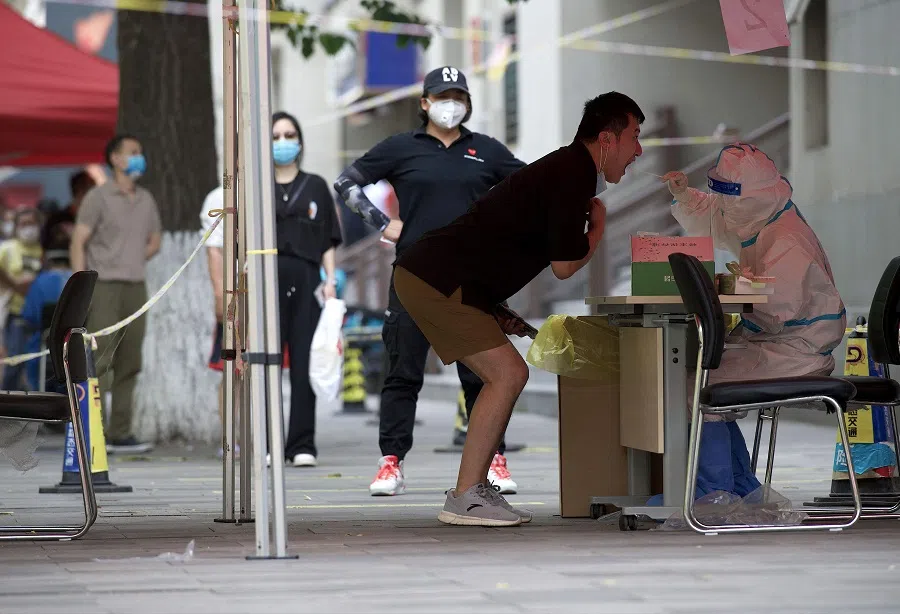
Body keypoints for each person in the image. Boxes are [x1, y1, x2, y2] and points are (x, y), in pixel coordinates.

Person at [387, 91, 644, 526]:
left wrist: (493, 305)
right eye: (635, 137)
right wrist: (598, 229)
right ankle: (466, 495)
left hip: (447, 278)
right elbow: (564, 266)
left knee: (506, 373)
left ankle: (474, 489)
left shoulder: (567, 169)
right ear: (607, 138)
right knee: (508, 373)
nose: (638, 150)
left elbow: (499, 235)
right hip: (436, 277)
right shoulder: (571, 174)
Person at [334, 66, 527, 497]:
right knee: (402, 372)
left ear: (469, 102)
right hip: (414, 278)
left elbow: (529, 189)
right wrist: (383, 223)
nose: (450, 104)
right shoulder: (401, 148)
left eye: (458, 96)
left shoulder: (487, 151)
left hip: (470, 280)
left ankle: (493, 459)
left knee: (481, 375)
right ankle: (391, 462)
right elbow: (346, 183)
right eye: (442, 96)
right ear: (424, 103)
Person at [662, 143, 846, 498]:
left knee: (696, 386)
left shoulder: (787, 239)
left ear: (752, 196)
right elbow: (718, 215)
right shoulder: (765, 220)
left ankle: (715, 493)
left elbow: (781, 307)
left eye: (731, 195)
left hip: (796, 351)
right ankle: (738, 488)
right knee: (699, 380)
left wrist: (738, 287)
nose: (725, 204)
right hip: (779, 344)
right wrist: (685, 196)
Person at [70, 134, 161, 454]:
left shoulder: (146, 199)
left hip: (136, 288)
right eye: (133, 152)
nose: (139, 157)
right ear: (115, 159)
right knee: (101, 360)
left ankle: (121, 432)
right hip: (103, 287)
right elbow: (78, 241)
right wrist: (82, 286)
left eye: (140, 151)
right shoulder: (98, 197)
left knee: (130, 360)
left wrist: (131, 258)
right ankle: (96, 430)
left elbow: (155, 241)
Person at [271, 111, 343, 467]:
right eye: (276, 136)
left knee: (304, 361)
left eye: (289, 134)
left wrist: (330, 281)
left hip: (306, 277)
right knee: (267, 362)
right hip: (267, 277)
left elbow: (328, 239)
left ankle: (302, 443)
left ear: (299, 140)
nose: (283, 142)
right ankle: (268, 442)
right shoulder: (256, 185)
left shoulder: (315, 184)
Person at [21, 235, 72, 392]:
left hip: (42, 350)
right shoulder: (78, 282)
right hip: (72, 350)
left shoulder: (39, 282)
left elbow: (29, 315)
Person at [0, 208, 44, 389]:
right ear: (17, 227)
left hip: (36, 317)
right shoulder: (7, 248)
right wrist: (14, 285)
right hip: (14, 314)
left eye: (31, 223)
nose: (28, 228)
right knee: (14, 363)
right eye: (24, 224)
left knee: (32, 365)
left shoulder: (40, 251)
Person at [42, 170, 96, 248]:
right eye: (87, 189)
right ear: (77, 191)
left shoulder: (100, 218)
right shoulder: (58, 219)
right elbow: (48, 245)